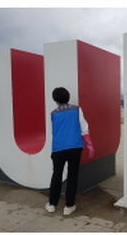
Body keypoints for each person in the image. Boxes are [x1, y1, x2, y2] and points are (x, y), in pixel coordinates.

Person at [45, 87, 94, 216]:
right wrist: (89, 145)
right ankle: (69, 206)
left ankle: (51, 204)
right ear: (67, 97)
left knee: (57, 175)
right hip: (75, 147)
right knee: (72, 176)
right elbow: (84, 128)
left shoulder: (53, 114)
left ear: (55, 99)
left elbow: (52, 133)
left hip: (58, 149)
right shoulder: (77, 110)